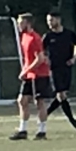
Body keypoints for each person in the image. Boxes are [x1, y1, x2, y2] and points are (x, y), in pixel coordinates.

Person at [10, 13, 50, 141]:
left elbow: (40, 58)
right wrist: (25, 71)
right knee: (22, 100)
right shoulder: (24, 37)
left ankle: (42, 131)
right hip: (30, 74)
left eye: (20, 23)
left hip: (40, 74)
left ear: (28, 23)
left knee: (39, 102)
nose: (18, 25)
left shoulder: (35, 38)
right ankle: (23, 130)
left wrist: (26, 70)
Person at [40, 12, 76, 132]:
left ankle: (45, 114)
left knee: (61, 97)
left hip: (66, 68)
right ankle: (73, 122)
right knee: (61, 95)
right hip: (54, 69)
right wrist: (46, 58)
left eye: (51, 20)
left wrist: (74, 58)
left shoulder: (69, 34)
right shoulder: (48, 36)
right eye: (48, 21)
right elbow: (41, 50)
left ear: (58, 20)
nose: (49, 23)